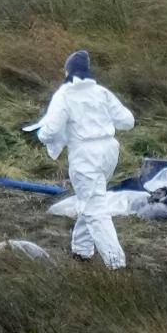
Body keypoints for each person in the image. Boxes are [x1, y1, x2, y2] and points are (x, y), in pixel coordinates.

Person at [26, 50, 134, 269]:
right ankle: (82, 250)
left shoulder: (64, 95)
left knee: (95, 209)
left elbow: (52, 129)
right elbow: (127, 121)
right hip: (109, 152)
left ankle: (117, 265)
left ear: (68, 70)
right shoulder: (102, 92)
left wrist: (40, 134)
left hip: (85, 155)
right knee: (92, 197)